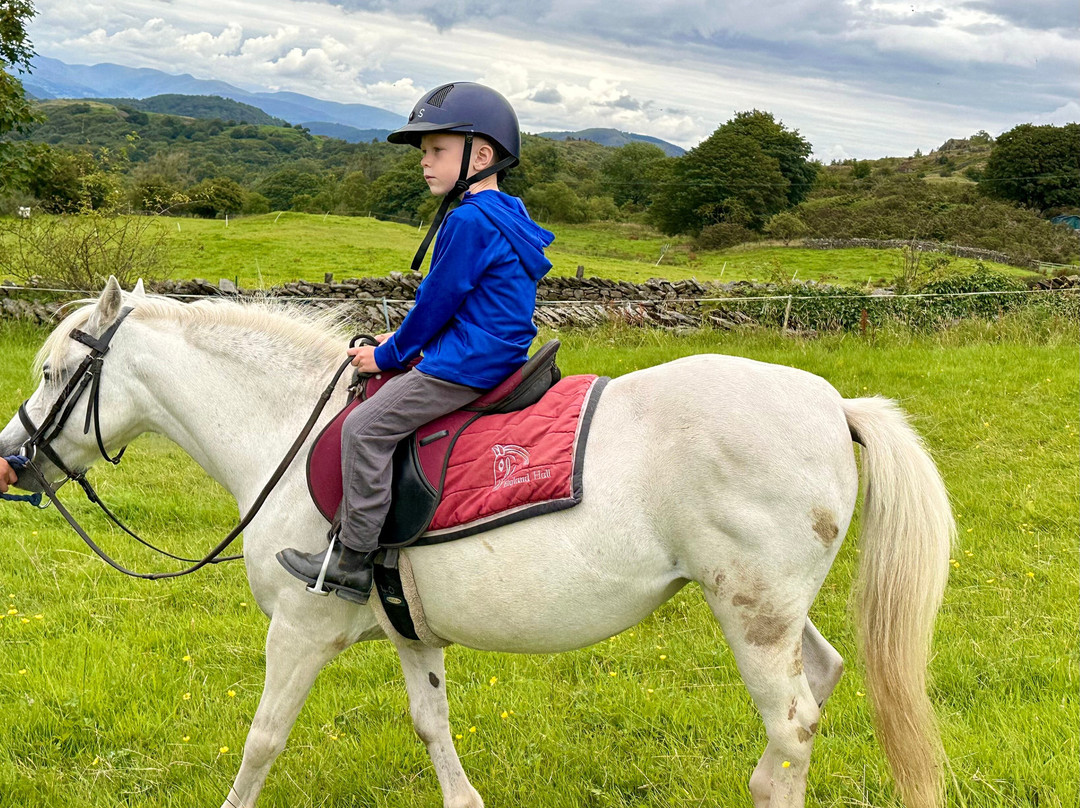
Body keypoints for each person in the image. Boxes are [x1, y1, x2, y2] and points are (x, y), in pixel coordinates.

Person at [277, 82, 555, 603]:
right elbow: (469, 306)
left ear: (483, 154)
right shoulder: (505, 212)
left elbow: (436, 305)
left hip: (468, 364)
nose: (424, 162)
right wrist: (401, 339)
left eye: (437, 150)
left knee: (363, 428)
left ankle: (351, 560)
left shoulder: (469, 220)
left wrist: (384, 355)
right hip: (493, 349)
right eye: (424, 152)